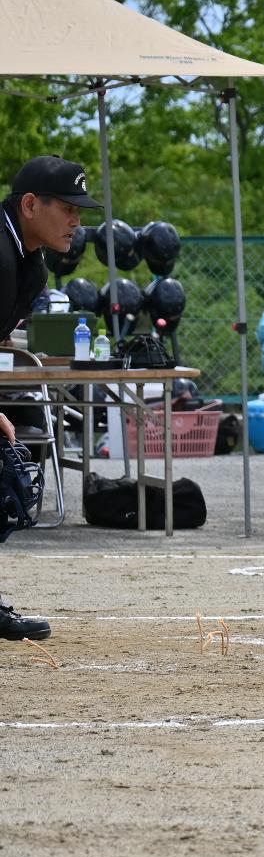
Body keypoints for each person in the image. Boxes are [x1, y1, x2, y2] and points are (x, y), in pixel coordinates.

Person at [0, 157, 101, 641]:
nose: (77, 221)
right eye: (67, 208)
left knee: (5, 479)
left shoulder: (30, 268)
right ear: (30, 204)